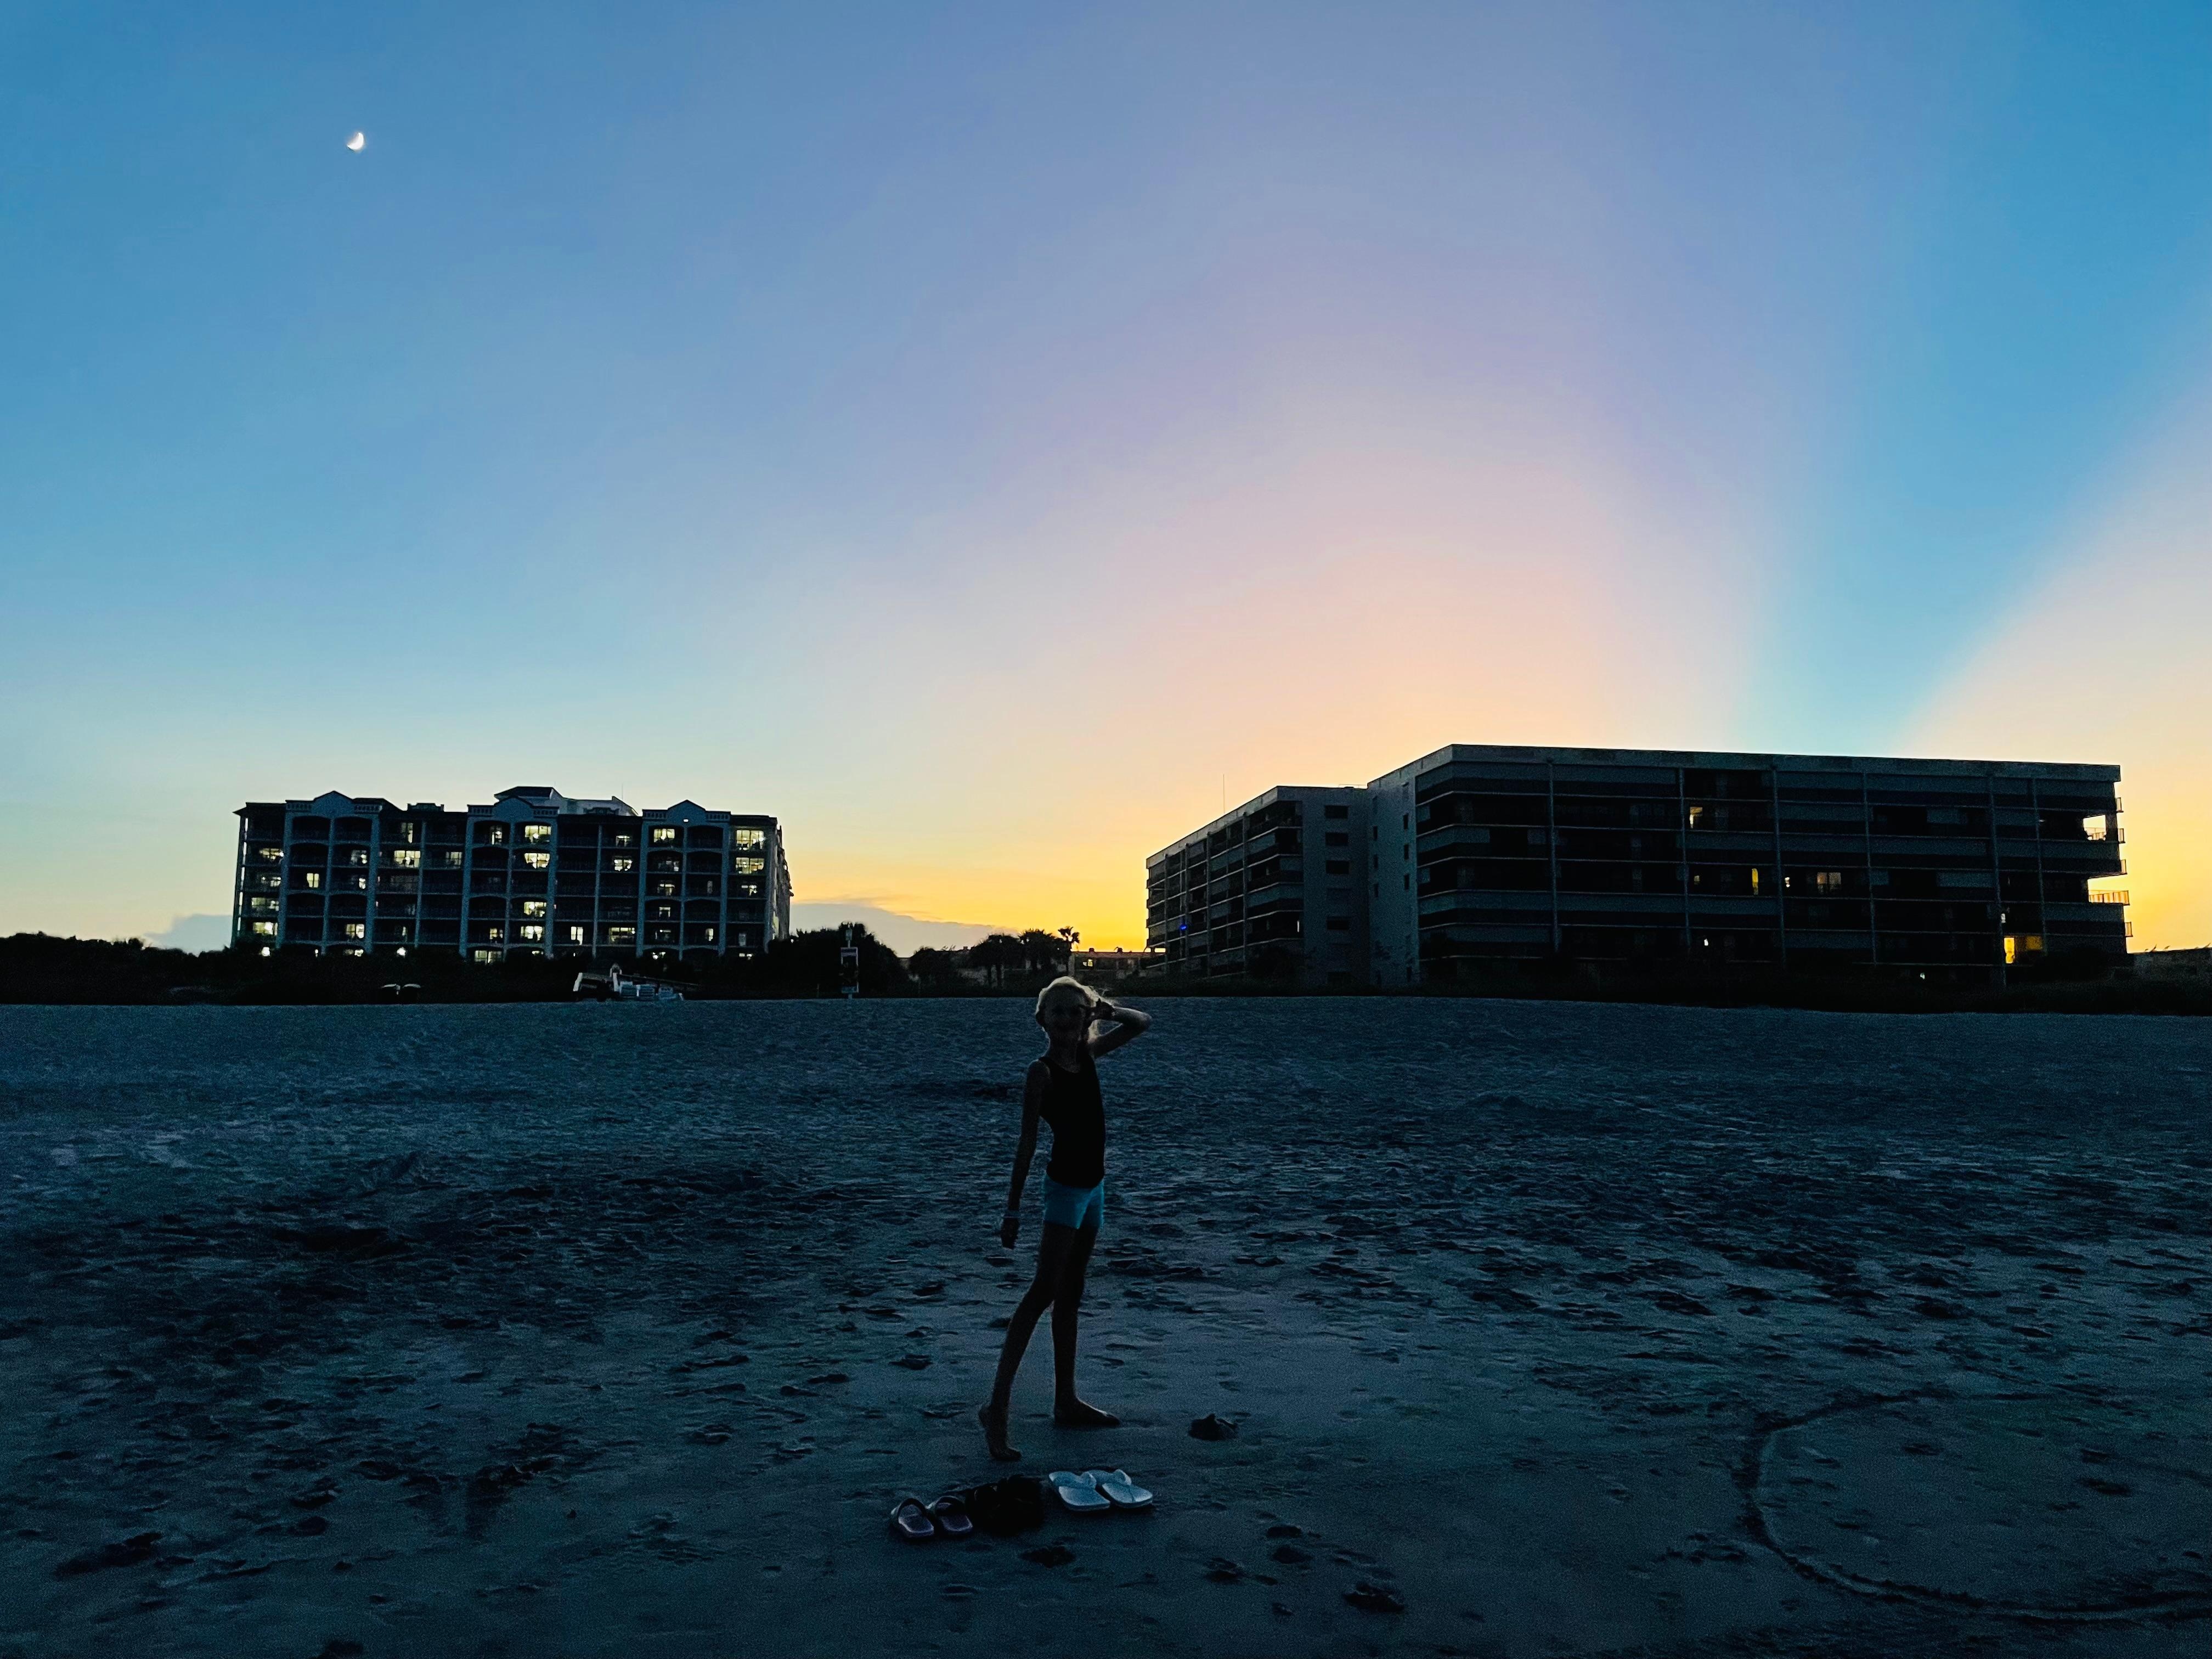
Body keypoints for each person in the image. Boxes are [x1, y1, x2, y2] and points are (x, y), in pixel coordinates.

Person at [977, 977, 1152, 1462]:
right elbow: (1027, 1143)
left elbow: (1143, 1023)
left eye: (1076, 1012)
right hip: (1065, 1194)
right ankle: (997, 1410)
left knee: (1071, 1294)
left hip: (1095, 1187)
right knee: (1042, 1294)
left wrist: (1104, 1008)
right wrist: (1012, 1209)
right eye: (1059, 1013)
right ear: (1042, 1021)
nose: (1069, 1021)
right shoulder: (1043, 1072)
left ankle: (1066, 1400)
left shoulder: (1091, 1055)